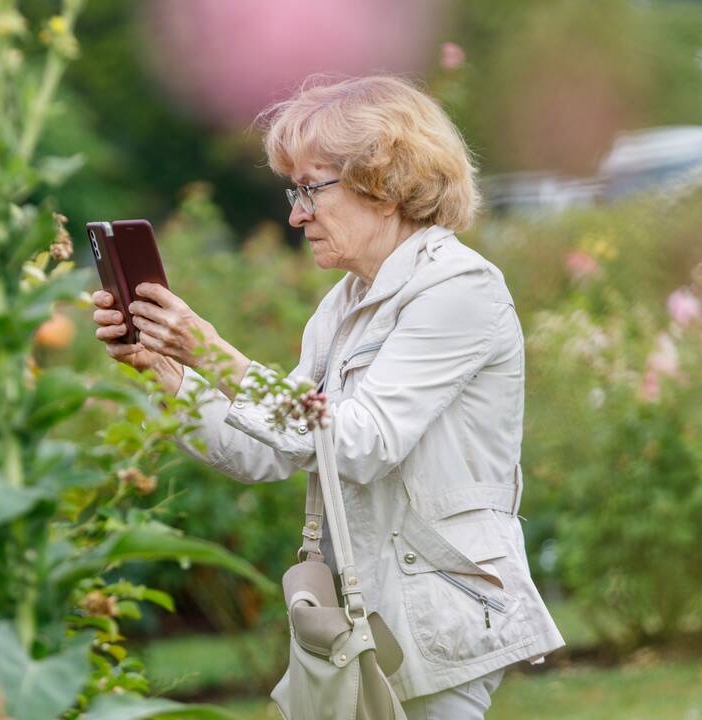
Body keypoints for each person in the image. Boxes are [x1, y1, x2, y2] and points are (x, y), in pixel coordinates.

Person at [90, 75, 565, 719]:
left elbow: (361, 442)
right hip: (362, 615)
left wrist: (210, 351)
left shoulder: (461, 290)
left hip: (439, 615)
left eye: (311, 189)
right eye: (294, 190)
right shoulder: (343, 306)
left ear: (387, 183)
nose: (295, 214)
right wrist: (169, 374)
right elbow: (265, 451)